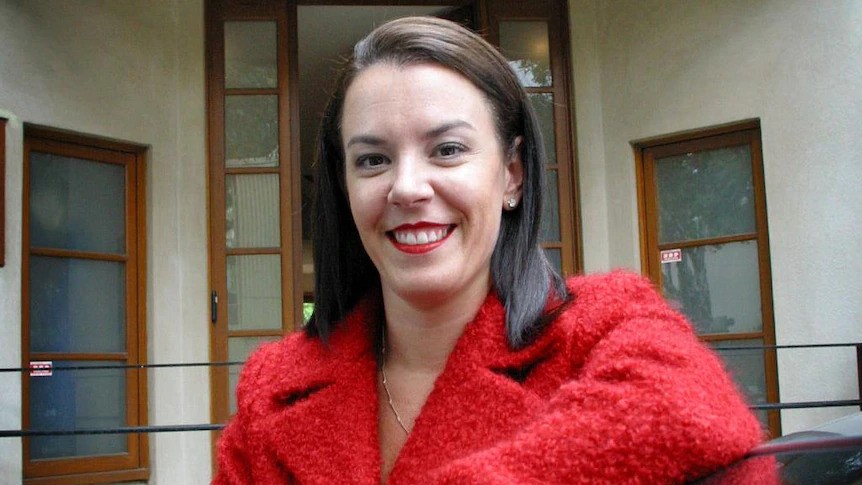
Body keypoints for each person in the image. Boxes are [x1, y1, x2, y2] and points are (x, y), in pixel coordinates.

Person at [214, 16, 767, 484]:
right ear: (344, 186)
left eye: (447, 150)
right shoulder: (276, 389)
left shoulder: (606, 330)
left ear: (512, 174)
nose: (407, 187)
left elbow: (700, 424)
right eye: (372, 159)